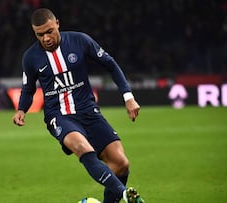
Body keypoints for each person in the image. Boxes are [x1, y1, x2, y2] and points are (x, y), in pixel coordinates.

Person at [12, 8, 144, 203]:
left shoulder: (80, 40)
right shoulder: (30, 57)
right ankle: (126, 194)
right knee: (83, 147)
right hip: (59, 115)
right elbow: (28, 88)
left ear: (57, 23)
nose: (46, 38)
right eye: (40, 35)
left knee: (121, 164)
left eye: (49, 31)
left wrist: (128, 97)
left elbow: (110, 64)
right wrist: (21, 109)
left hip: (88, 111)